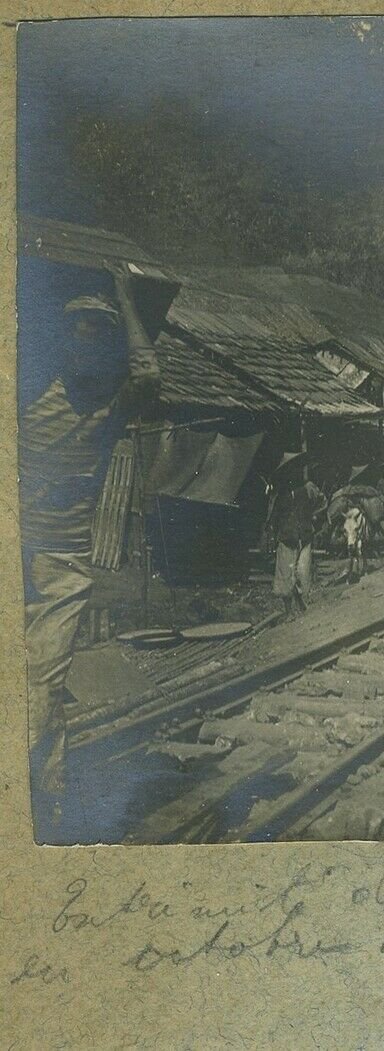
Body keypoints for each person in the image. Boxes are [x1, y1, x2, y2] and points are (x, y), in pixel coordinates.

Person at [20, 272, 160, 836]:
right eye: (76, 332)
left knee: (42, 681)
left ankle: (35, 799)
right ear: (61, 340)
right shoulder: (28, 392)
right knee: (36, 685)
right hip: (18, 550)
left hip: (63, 564)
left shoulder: (110, 407)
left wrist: (125, 298)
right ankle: (46, 792)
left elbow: (148, 373)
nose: (86, 343)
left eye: (98, 335)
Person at [269, 462, 322, 618]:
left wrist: (314, 517)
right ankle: (289, 611)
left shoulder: (306, 490)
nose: (291, 477)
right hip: (287, 538)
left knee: (302, 574)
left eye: (294, 473)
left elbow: (320, 503)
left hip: (304, 537)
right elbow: (273, 519)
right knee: (285, 575)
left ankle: (302, 605)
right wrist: (275, 535)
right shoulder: (279, 497)